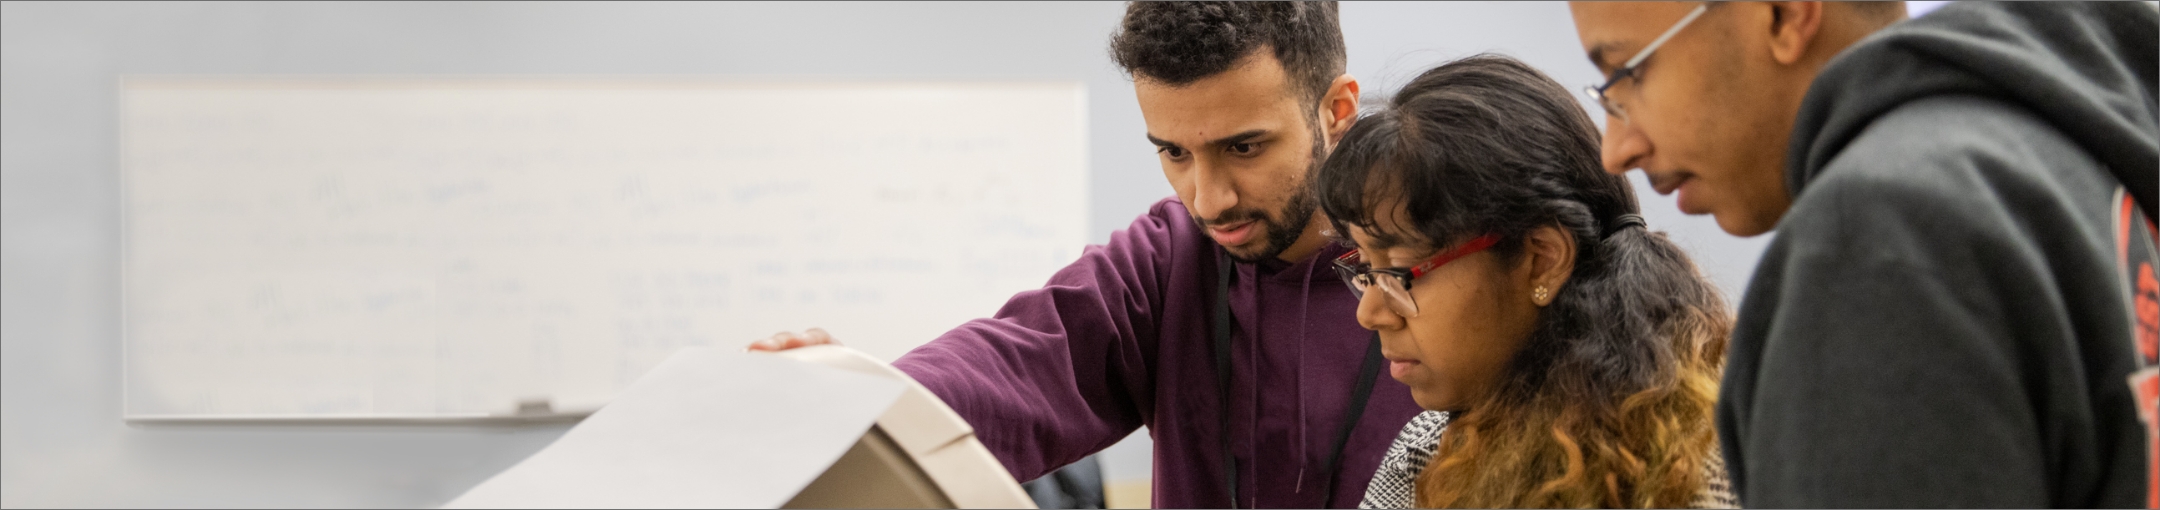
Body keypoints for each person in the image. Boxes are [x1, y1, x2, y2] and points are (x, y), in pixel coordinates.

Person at [749, 3, 1424, 507]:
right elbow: (1018, 360)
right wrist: (865, 400)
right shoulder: (1170, 260)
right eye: (1174, 153)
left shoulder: (1446, 265)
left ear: (1336, 109)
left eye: (1244, 147)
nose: (1209, 198)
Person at [1567, 2, 2158, 506]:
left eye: (1629, 73)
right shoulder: (2066, 159)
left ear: (1784, 14)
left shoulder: (1876, 243)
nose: (1616, 149)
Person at [1313, 54, 1734, 509]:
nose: (1368, 313)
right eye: (1365, 270)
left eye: (1396, 273)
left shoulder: (1717, 465)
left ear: (1541, 260)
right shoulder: (1426, 451)